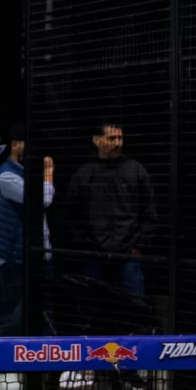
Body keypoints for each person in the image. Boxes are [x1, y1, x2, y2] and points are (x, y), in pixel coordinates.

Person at [63, 122, 154, 301]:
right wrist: (86, 245)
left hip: (127, 256)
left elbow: (149, 211)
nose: (118, 143)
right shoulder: (84, 173)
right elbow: (71, 214)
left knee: (135, 306)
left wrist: (139, 246)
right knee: (93, 306)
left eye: (120, 138)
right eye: (112, 138)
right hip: (94, 256)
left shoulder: (136, 170)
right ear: (97, 140)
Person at [0, 137, 29, 333]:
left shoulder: (22, 172)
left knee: (19, 308)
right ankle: (1, 350)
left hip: (17, 252)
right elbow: (43, 198)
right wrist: (48, 173)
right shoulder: (6, 175)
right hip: (8, 252)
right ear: (15, 144)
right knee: (11, 309)